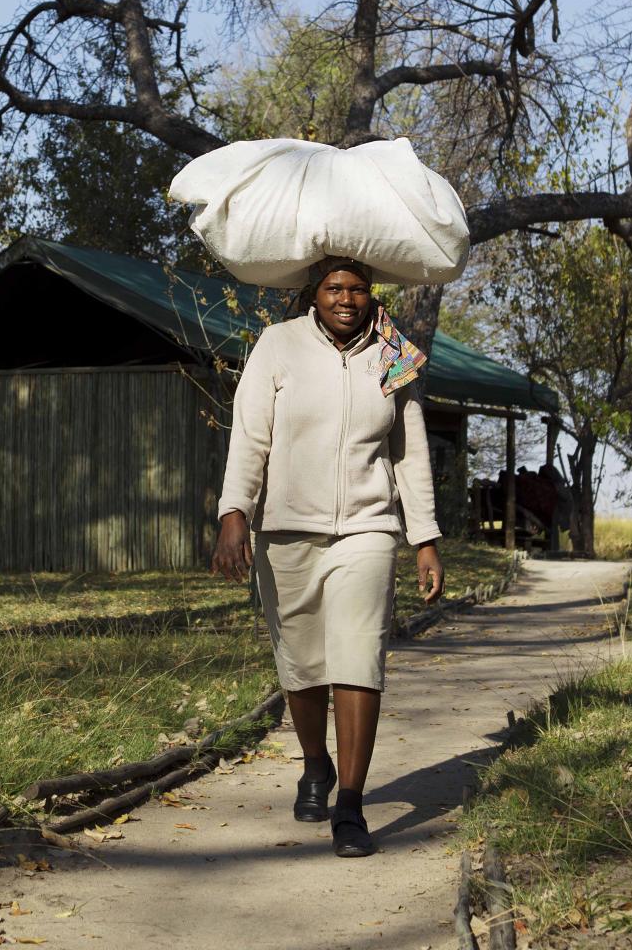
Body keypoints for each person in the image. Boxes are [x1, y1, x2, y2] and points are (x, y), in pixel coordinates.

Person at [212, 258, 444, 858]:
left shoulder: (395, 353)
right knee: (303, 661)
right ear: (313, 295)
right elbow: (249, 435)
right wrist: (234, 512)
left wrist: (424, 538)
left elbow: (409, 453)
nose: (347, 298)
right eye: (335, 288)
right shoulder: (277, 345)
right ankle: (315, 764)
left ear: (372, 294)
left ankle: (350, 803)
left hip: (367, 528)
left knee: (359, 654)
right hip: (287, 530)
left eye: (358, 289)